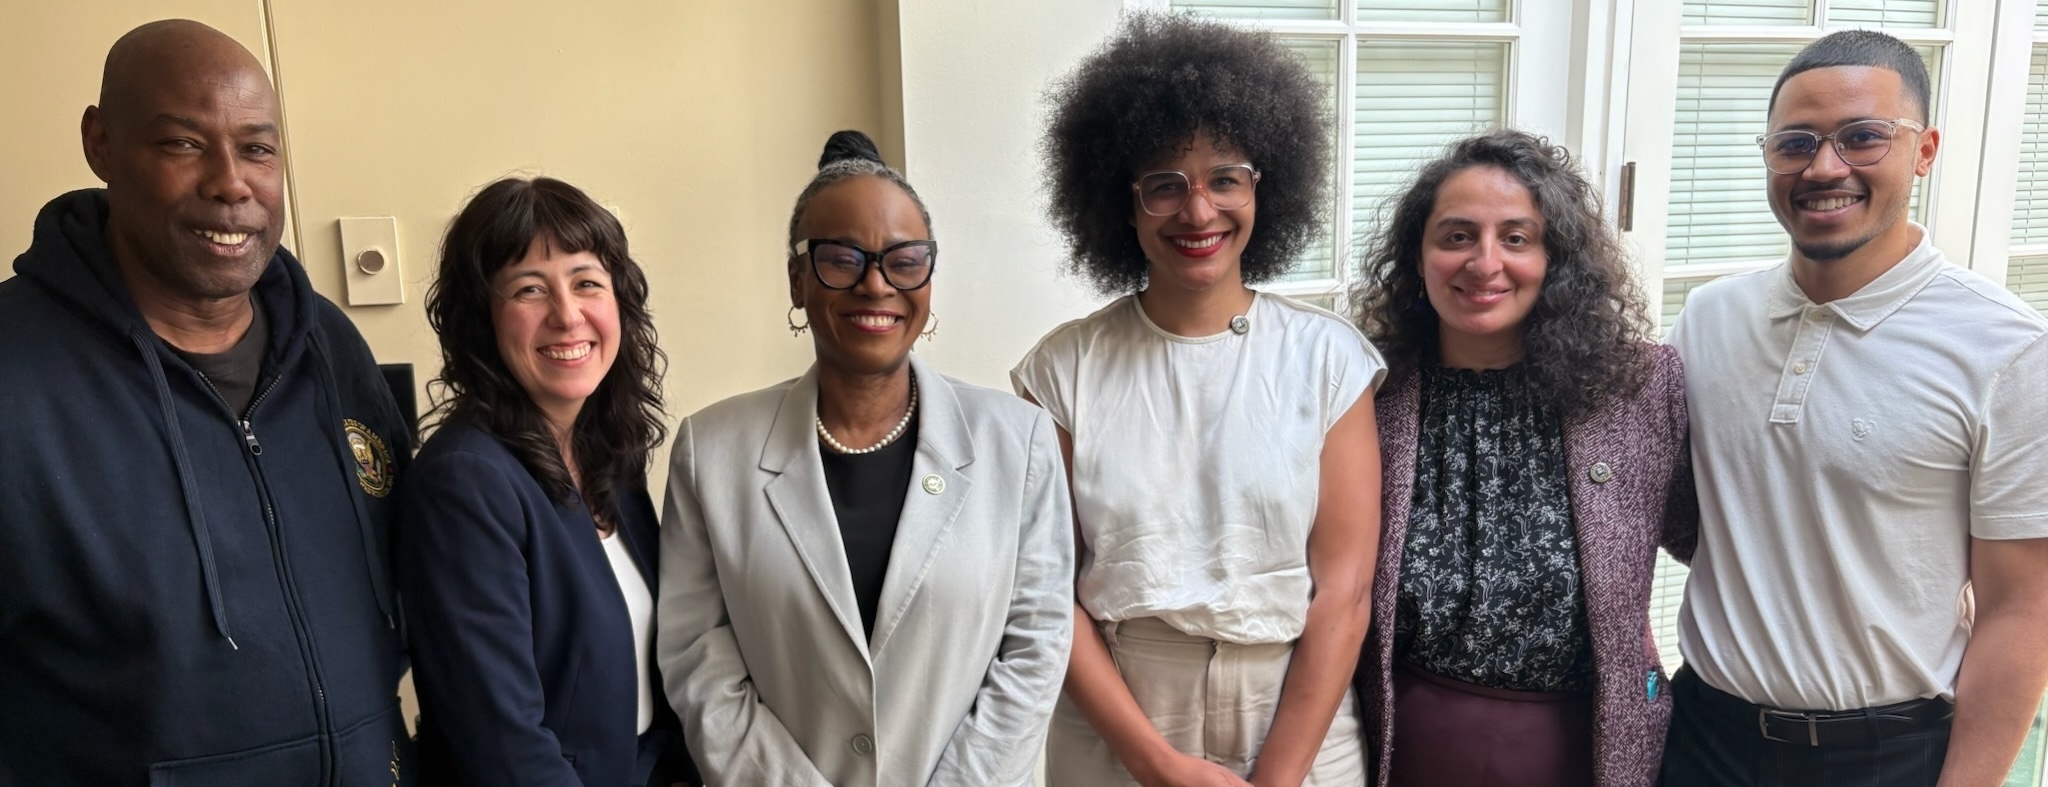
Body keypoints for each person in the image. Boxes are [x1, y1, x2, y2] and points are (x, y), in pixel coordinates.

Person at [0, 19, 414, 784]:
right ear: (101, 144)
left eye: (257, 148)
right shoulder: (17, 373)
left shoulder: (328, 345)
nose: (231, 182)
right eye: (183, 143)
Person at [1661, 30, 2048, 787]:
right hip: (1702, 736)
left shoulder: (2008, 349)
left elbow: (2021, 608)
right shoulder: (1707, 319)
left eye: (1864, 137)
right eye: (1795, 142)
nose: (1824, 167)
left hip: (1886, 755)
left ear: (1925, 149)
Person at [1016, 14, 1384, 787]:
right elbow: (1048, 586)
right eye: (1165, 185)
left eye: (1225, 177)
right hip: (1118, 719)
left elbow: (1345, 590)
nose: (1198, 211)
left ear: (1264, 187)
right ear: (1123, 202)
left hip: (1297, 713)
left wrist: (1279, 776)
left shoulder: (1328, 360)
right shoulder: (1062, 369)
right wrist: (1156, 764)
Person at [655, 130, 1074, 787]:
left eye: (904, 260)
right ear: (798, 278)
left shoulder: (1017, 442)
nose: (875, 283)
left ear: (928, 277)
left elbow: (1036, 642)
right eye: (842, 258)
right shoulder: (712, 451)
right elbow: (695, 652)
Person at [1348, 129, 1694, 787]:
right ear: (1416, 256)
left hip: (1580, 752)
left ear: (1555, 258)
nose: (1484, 262)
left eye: (1516, 237)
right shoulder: (1369, 392)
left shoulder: (1640, 388)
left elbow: (1714, 542)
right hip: (1403, 746)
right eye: (1456, 236)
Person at [395, 176, 693, 786]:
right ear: (481, 319)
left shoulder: (610, 455)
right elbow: (501, 740)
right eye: (530, 289)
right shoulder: (464, 483)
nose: (567, 314)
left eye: (587, 282)